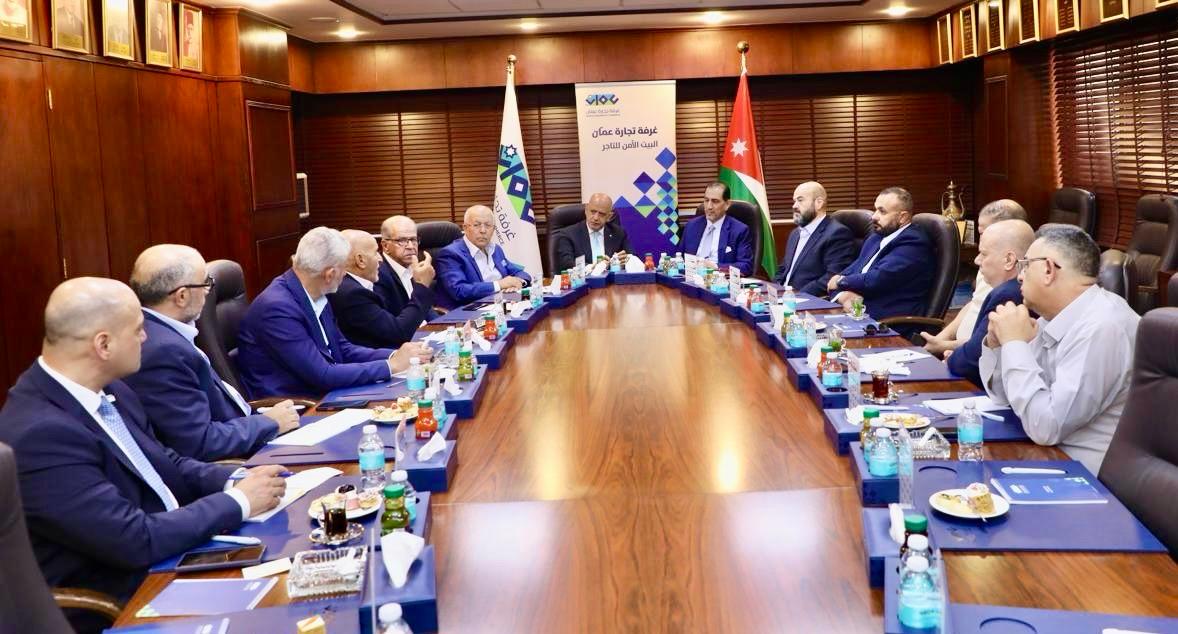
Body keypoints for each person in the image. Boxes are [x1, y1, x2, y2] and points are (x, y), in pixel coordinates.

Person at [0, 277, 288, 633]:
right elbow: (133, 539)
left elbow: (164, 463)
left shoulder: (109, 389)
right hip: (129, 595)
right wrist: (239, 502)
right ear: (104, 344)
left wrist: (237, 479)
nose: (146, 337)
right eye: (137, 329)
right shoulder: (40, 434)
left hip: (176, 554)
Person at [980, 224, 1139, 474]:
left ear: (1048, 269)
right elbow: (1007, 399)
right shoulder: (1055, 316)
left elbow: (1046, 427)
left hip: (1086, 476)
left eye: (1025, 265)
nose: (1019, 276)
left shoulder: (1102, 327)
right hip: (1046, 456)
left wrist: (1015, 344)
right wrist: (999, 346)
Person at [123, 245, 299, 461]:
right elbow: (200, 442)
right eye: (205, 283)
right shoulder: (162, 351)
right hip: (241, 459)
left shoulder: (167, 333)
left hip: (249, 433)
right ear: (181, 296)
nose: (208, 290)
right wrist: (270, 423)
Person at [235, 227, 430, 399]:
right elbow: (323, 374)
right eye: (344, 269)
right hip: (299, 406)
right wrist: (392, 366)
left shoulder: (315, 291)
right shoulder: (277, 309)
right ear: (330, 274)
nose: (346, 275)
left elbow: (342, 349)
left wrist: (398, 355)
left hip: (326, 392)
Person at [922, 199, 1029, 357]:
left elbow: (986, 343)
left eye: (984, 232)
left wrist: (946, 347)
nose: (981, 239)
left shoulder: (1010, 285)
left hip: (970, 355)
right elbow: (974, 303)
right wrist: (939, 340)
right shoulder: (988, 264)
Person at [945, 220, 1035, 386]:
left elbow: (971, 361)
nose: (977, 260)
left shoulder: (1008, 294)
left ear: (1009, 260)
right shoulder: (1011, 288)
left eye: (983, 254)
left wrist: (955, 358)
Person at [827, 186, 934, 320]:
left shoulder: (913, 244)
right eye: (875, 209)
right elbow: (852, 271)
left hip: (888, 321)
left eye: (882, 211)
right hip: (857, 312)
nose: (874, 216)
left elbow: (875, 279)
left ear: (902, 217)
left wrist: (840, 281)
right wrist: (841, 296)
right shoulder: (876, 237)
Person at [330, 229, 431, 349]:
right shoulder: (352, 294)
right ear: (360, 260)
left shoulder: (352, 285)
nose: (380, 259)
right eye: (376, 252)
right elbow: (399, 332)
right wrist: (422, 285)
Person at [435, 205, 532, 309]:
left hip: (501, 303)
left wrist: (518, 282)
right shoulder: (450, 254)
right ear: (465, 228)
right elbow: (459, 290)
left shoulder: (495, 249)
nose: (483, 230)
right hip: (469, 311)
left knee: (535, 304)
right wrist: (500, 285)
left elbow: (518, 272)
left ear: (493, 229)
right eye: (477, 225)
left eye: (488, 225)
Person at [774, 181, 857, 296]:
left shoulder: (837, 233)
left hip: (808, 300)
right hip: (783, 297)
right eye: (794, 201)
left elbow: (832, 277)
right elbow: (783, 269)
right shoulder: (795, 233)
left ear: (819, 203)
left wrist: (796, 296)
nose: (794, 206)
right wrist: (775, 290)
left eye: (800, 200)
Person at [375, 215, 438, 327]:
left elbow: (426, 309)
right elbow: (393, 325)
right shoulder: (378, 275)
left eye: (413, 240)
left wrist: (443, 327)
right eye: (402, 240)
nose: (410, 246)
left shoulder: (415, 267)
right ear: (385, 246)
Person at [681, 182, 755, 276]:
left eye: (715, 201)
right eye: (706, 200)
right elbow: (679, 258)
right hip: (691, 279)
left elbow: (746, 266)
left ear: (727, 204)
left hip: (720, 280)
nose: (709, 207)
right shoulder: (692, 226)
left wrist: (715, 267)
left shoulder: (739, 230)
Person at [553, 193, 633, 271]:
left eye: (601, 214)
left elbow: (632, 257)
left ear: (609, 217)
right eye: (593, 211)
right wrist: (592, 267)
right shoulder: (568, 234)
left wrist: (626, 261)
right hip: (583, 279)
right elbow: (566, 264)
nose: (596, 218)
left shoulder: (618, 233)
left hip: (611, 279)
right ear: (586, 210)